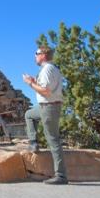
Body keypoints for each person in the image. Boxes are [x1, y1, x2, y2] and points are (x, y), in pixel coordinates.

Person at [23, 46, 68, 185]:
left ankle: (60, 175)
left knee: (53, 139)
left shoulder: (48, 69)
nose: (35, 56)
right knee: (29, 115)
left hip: (49, 107)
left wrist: (30, 83)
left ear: (43, 55)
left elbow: (46, 91)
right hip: (45, 107)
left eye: (36, 53)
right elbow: (45, 87)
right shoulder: (49, 69)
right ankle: (33, 143)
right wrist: (35, 82)